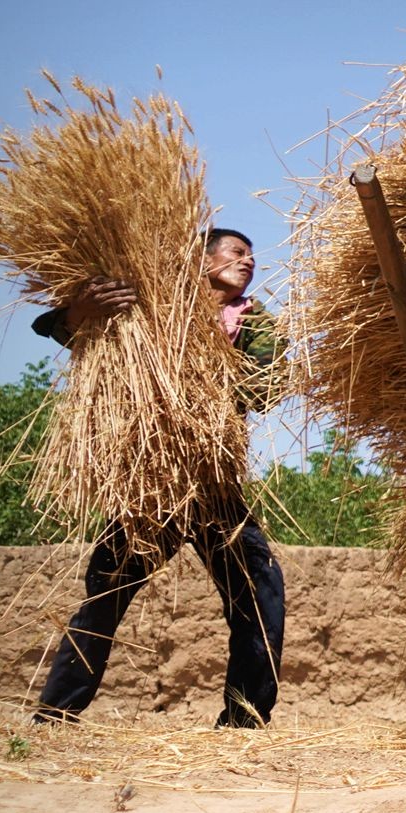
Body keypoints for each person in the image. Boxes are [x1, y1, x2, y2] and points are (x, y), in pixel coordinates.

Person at [29, 227, 288, 726]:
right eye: (237, 252)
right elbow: (56, 327)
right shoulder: (149, 304)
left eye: (253, 256)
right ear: (202, 260)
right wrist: (86, 309)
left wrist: (192, 360)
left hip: (213, 482)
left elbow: (265, 390)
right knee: (105, 594)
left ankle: (244, 721)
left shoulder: (257, 323)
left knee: (259, 588)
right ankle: (55, 716)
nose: (249, 261)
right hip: (151, 482)